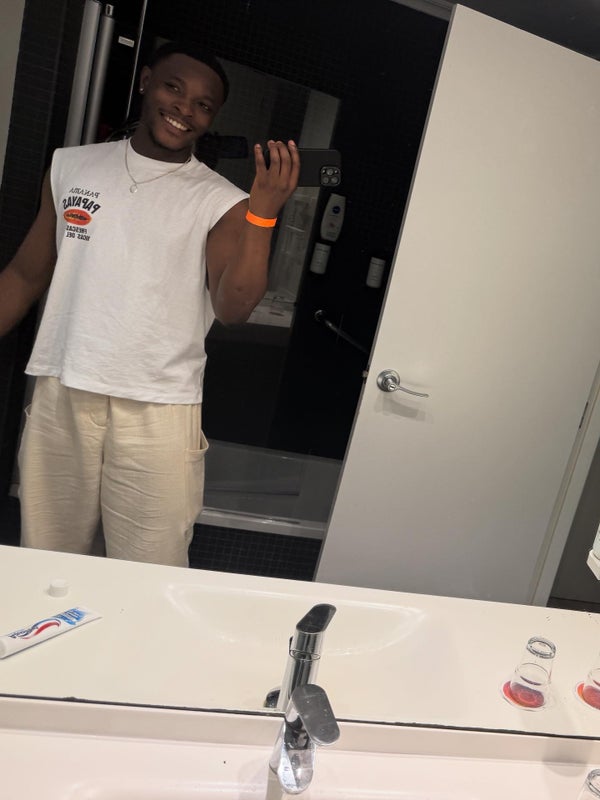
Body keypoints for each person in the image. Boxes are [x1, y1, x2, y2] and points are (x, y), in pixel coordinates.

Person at [0, 41, 300, 566]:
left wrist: (263, 212)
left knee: (149, 572)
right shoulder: (71, 167)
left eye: (203, 105)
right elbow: (25, 275)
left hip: (158, 410)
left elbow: (233, 308)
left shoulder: (221, 201)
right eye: (173, 88)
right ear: (145, 82)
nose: (185, 109)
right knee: (48, 564)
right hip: (64, 392)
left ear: (212, 119)